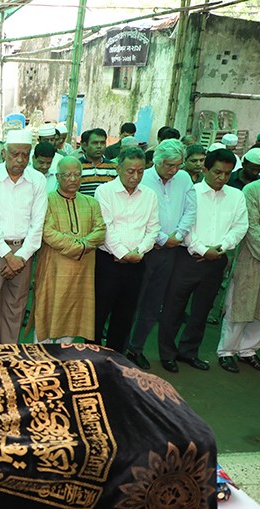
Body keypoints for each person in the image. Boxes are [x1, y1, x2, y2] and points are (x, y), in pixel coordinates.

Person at [158, 149, 248, 372]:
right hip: (187, 258)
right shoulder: (191, 192)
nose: (222, 178)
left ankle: (188, 352)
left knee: (201, 310)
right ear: (205, 169)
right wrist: (200, 249)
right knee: (174, 308)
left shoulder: (236, 196)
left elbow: (240, 226)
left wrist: (222, 247)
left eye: (227, 174)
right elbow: (183, 224)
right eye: (217, 172)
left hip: (216, 260)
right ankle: (167, 353)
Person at [125, 139, 197, 369]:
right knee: (132, 302)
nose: (173, 170)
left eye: (177, 165)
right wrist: (162, 239)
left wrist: (178, 234)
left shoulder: (184, 179)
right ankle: (120, 347)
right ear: (157, 161)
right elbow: (140, 216)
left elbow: (191, 209)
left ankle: (136, 348)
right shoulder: (142, 178)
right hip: (144, 250)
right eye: (169, 165)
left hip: (170, 253)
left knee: (153, 304)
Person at [0, 129, 48, 344]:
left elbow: (38, 223)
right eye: (15, 154)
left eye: (25, 154)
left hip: (25, 251)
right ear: (4, 152)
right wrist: (8, 255)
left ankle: (9, 355)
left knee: (16, 307)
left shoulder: (38, 180)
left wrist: (21, 256)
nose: (20, 159)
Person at [30, 157, 106, 343]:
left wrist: (81, 244)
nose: (73, 179)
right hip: (53, 270)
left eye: (77, 174)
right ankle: (40, 357)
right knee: (48, 311)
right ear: (57, 176)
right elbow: (47, 232)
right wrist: (80, 246)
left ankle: (64, 356)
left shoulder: (91, 202)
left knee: (74, 313)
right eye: (67, 175)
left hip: (82, 272)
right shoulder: (46, 201)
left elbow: (101, 231)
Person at [93, 147, 160, 354]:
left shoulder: (149, 195)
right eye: (130, 171)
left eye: (140, 171)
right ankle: (91, 357)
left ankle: (115, 359)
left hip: (137, 262)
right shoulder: (104, 191)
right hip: (108, 262)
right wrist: (123, 253)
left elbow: (153, 228)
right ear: (118, 168)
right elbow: (106, 227)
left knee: (125, 314)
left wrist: (138, 252)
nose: (136, 176)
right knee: (98, 312)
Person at [217, 148, 260, 373]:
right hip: (251, 258)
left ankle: (249, 351)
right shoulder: (253, 190)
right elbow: (251, 227)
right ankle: (226, 351)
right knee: (241, 305)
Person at [79, 129, 118, 197]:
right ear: (84, 146)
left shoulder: (114, 168)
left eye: (102, 143)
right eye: (95, 143)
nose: (99, 146)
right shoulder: (76, 166)